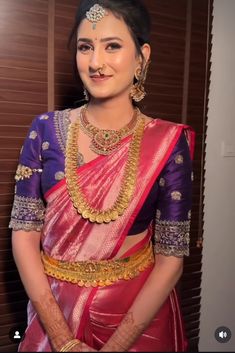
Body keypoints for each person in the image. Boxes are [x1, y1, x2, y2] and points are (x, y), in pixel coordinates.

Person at [9, 0, 195, 351]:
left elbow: (171, 260)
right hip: (55, 313)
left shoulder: (168, 143)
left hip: (138, 319)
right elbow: (24, 237)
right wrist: (64, 341)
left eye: (112, 46)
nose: (95, 62)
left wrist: (115, 346)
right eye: (85, 47)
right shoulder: (45, 130)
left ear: (142, 56)